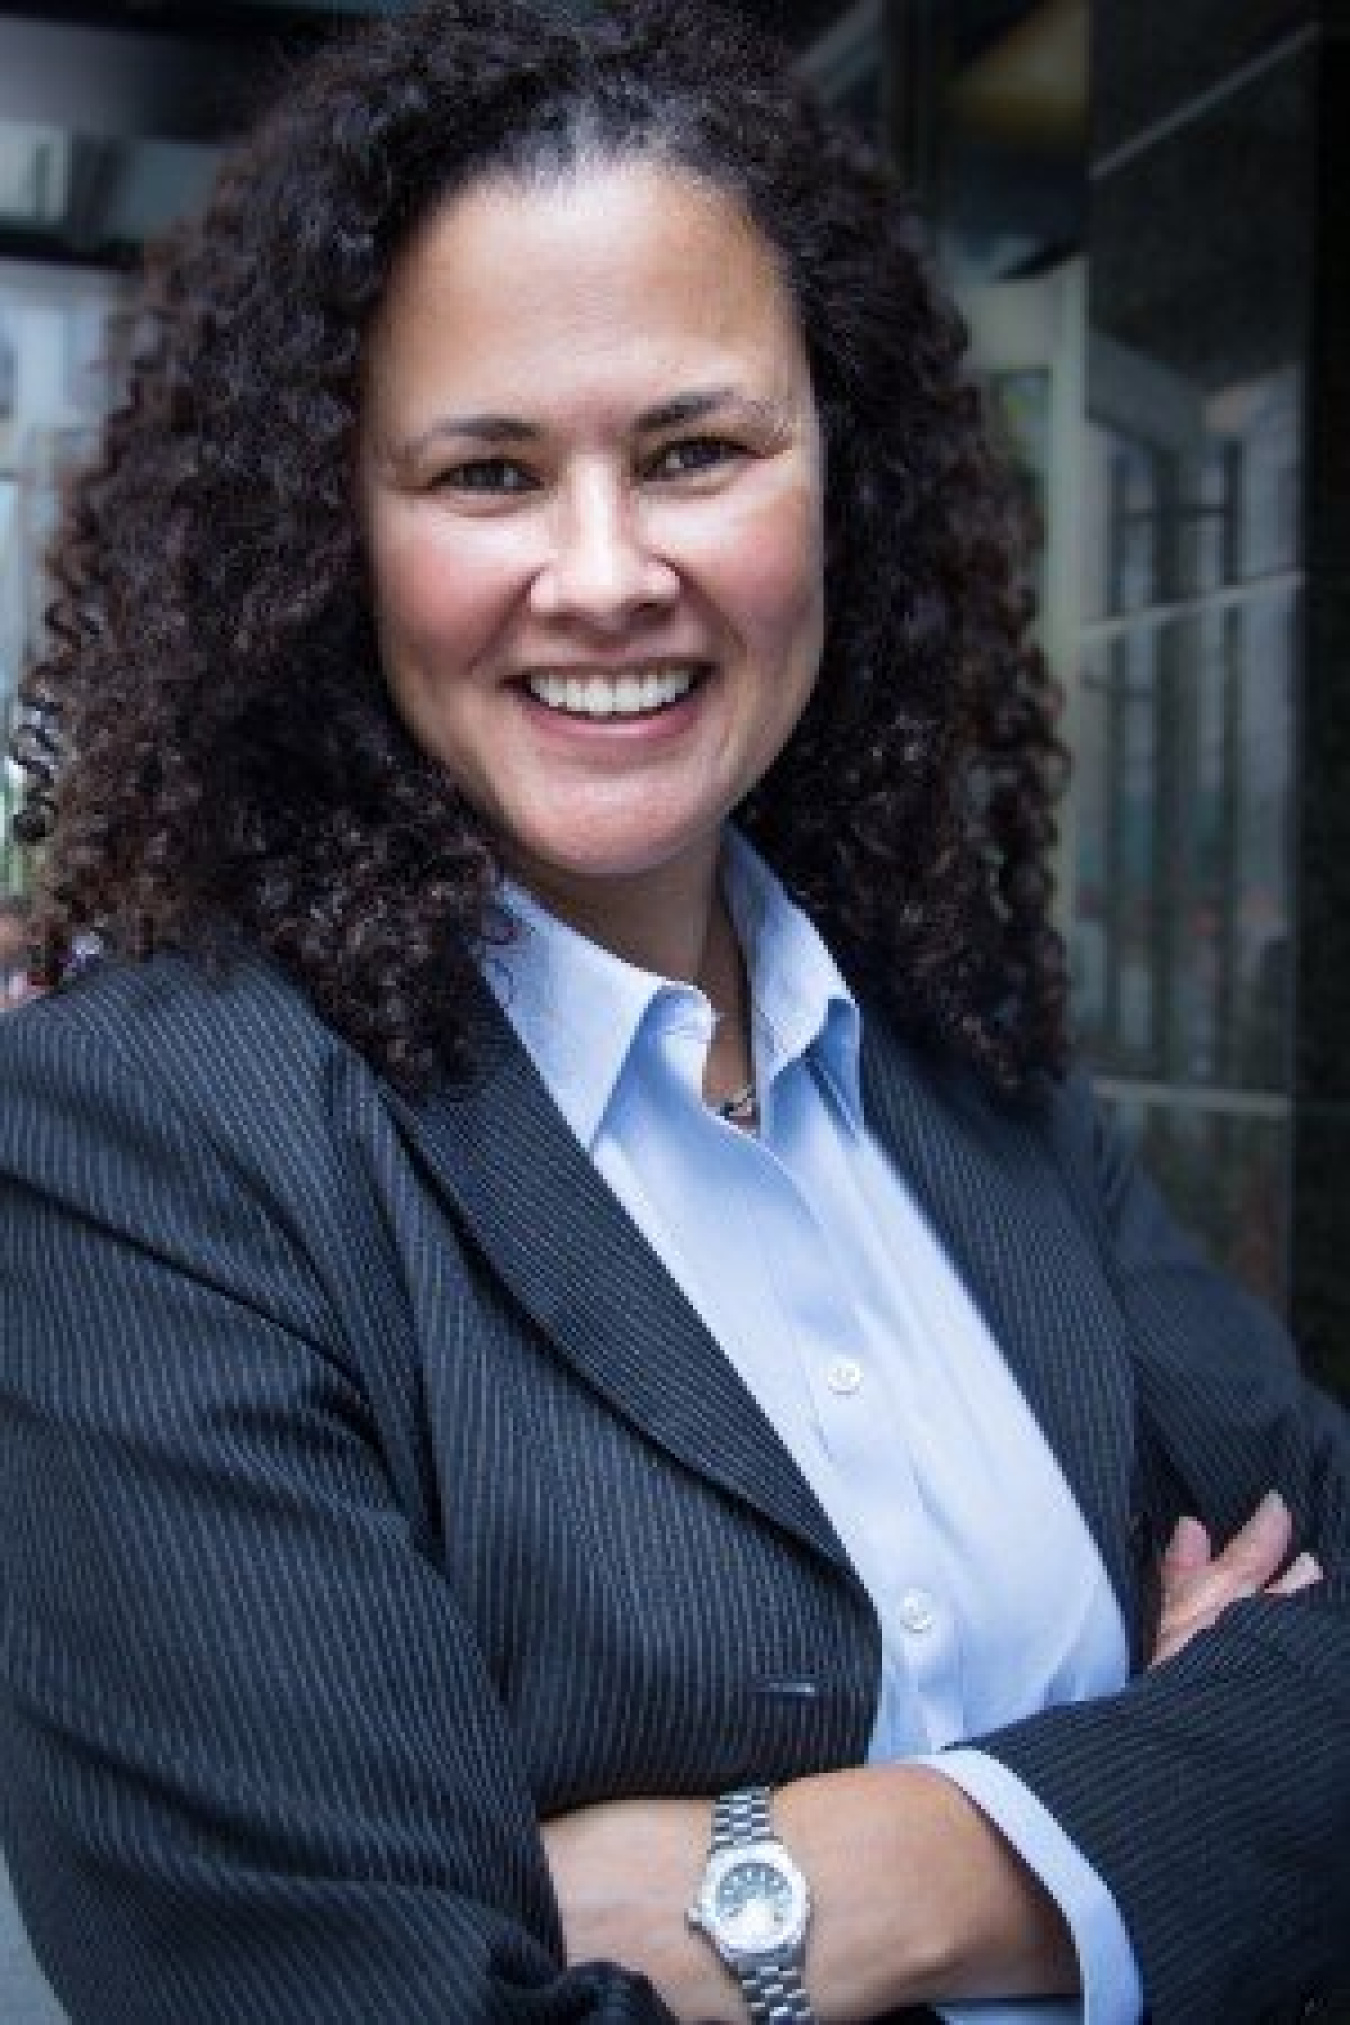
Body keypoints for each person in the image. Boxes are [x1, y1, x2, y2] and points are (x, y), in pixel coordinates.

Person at [0, 4, 1345, 2021]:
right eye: (488, 471)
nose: (605, 571)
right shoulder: (141, 1147)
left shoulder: (962, 1059)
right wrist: (1185, 1803)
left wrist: (853, 1877)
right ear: (333, 533)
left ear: (841, 474)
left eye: (697, 449)